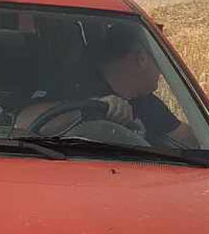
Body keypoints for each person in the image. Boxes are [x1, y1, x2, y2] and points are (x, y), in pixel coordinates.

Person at [17, 24, 197, 147]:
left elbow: (185, 137)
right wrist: (94, 106)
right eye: (161, 63)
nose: (162, 74)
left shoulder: (146, 102)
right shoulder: (70, 85)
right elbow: (23, 122)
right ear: (142, 59)